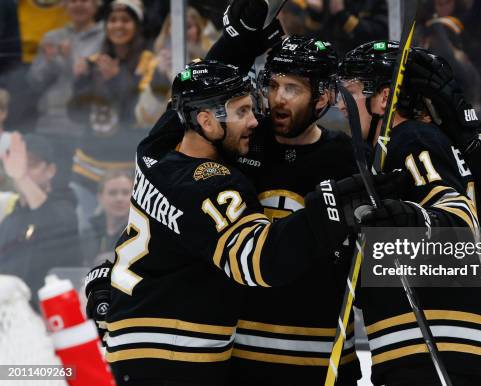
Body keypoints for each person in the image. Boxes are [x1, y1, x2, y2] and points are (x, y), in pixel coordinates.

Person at [83, 59, 385, 385]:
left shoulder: (156, 162)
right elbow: (259, 260)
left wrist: (101, 280)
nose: (256, 121)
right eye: (241, 112)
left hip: (132, 347)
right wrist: (329, 209)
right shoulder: (212, 181)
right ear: (207, 122)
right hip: (177, 353)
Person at [338, 41, 481, 385]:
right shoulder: (446, 140)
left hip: (436, 339)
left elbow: (472, 218)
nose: (341, 103)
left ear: (384, 98)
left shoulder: (410, 139)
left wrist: (414, 220)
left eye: (350, 90)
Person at [210, 34, 363, 385]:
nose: (278, 98)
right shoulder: (240, 141)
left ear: (323, 97)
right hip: (241, 358)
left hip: (326, 358)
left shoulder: (349, 159)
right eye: (274, 84)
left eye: (292, 88)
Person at [67, 0, 154, 231]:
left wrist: (117, 79)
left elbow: (141, 116)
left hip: (129, 167)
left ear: (137, 25)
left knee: (131, 233)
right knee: (84, 230)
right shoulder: (93, 61)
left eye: (125, 20)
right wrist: (79, 82)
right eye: (113, 20)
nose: (118, 25)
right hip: (88, 165)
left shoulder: (149, 62)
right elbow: (76, 115)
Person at [0, 133, 79, 307]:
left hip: (56, 315)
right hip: (12, 316)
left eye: (32, 165)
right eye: (20, 166)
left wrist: (21, 178)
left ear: (50, 170)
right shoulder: (9, 221)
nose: (23, 170)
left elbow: (52, 219)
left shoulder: (66, 208)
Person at [28, 0, 104, 138]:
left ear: (96, 4)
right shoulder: (52, 37)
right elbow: (35, 82)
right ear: (64, 5)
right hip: (49, 123)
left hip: (87, 126)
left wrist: (73, 60)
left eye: (84, 1)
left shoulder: (105, 37)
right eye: (73, 1)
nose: (78, 5)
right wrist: (50, 62)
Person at [80, 169, 132, 267]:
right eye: (112, 193)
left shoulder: (144, 232)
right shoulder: (88, 231)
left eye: (125, 193)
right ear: (100, 198)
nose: (119, 198)